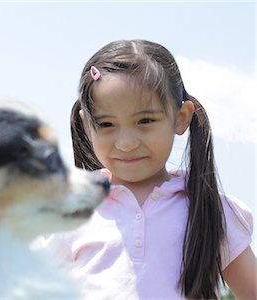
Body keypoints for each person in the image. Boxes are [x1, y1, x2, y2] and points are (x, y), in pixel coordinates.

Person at [40, 40, 256, 299]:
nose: (127, 143)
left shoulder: (209, 210)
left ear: (181, 117)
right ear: (87, 126)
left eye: (145, 121)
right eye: (107, 124)